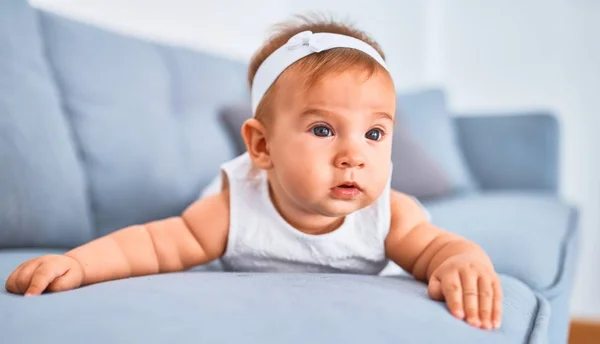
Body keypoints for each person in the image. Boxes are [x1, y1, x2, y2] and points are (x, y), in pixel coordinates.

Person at [5, 14, 502, 330]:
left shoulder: (388, 215)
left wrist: (463, 261)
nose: (354, 155)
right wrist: (78, 264)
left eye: (374, 134)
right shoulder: (230, 209)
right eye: (324, 130)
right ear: (261, 145)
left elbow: (439, 247)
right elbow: (152, 244)